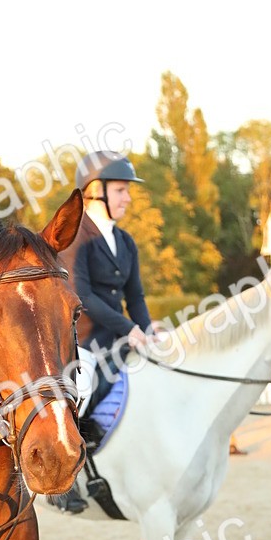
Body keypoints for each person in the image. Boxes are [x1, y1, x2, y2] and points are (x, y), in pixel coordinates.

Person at [72, 151, 163, 406]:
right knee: (80, 396)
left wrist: (146, 331)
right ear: (95, 190)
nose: (128, 198)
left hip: (120, 341)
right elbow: (83, 295)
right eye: (121, 190)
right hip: (84, 346)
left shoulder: (126, 242)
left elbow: (135, 297)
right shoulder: (76, 236)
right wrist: (129, 328)